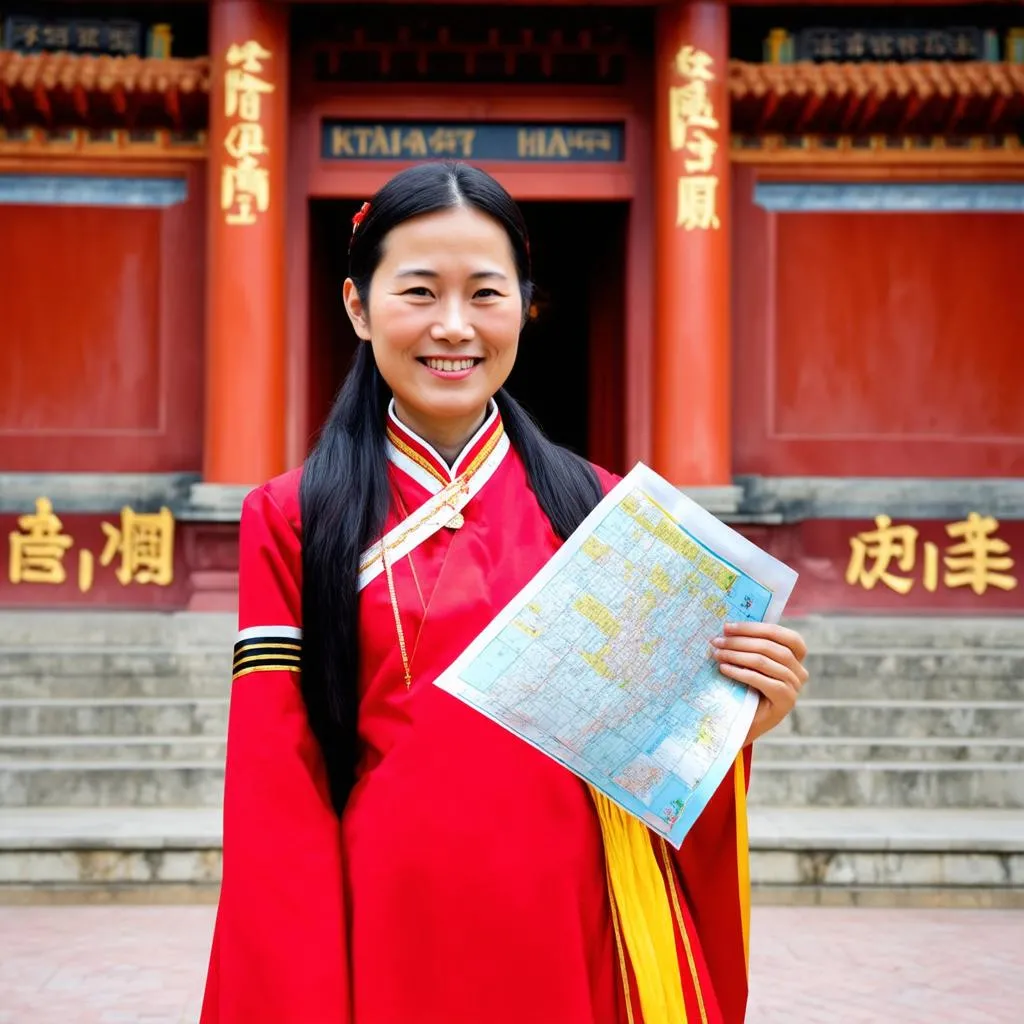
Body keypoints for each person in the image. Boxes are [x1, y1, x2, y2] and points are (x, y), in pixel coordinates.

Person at [199, 161, 810, 1024]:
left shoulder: (603, 510)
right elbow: (277, 792)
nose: (454, 326)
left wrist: (728, 718)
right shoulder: (293, 517)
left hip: (576, 923)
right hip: (387, 936)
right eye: (418, 291)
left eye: (486, 293)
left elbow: (651, 766)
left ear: (525, 306)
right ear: (357, 306)